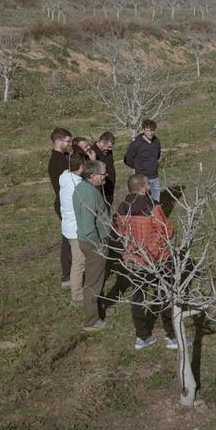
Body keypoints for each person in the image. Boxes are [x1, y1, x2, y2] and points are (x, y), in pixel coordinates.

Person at [114, 174, 178, 350]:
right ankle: (172, 336)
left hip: (134, 258)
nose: (150, 186)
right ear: (142, 188)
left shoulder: (122, 208)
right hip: (156, 257)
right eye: (148, 184)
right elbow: (167, 231)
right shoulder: (152, 207)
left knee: (137, 296)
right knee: (164, 294)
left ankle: (142, 336)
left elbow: (122, 231)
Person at [74, 160, 113, 331]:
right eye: (103, 174)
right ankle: (91, 321)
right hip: (93, 243)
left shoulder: (85, 188)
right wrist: (98, 245)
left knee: (96, 279)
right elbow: (89, 225)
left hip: (90, 241)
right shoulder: (89, 193)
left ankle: (98, 309)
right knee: (93, 282)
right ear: (92, 176)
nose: (106, 176)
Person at [59, 153, 87, 303]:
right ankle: (77, 296)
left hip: (67, 226)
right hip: (76, 228)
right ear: (81, 166)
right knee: (79, 262)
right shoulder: (78, 185)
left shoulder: (64, 177)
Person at [47, 128, 73, 287]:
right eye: (67, 142)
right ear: (58, 141)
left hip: (66, 203)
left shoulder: (64, 157)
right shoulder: (58, 161)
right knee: (68, 239)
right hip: (64, 204)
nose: (69, 144)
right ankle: (67, 275)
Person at [124, 119, 162, 203]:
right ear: (143, 130)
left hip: (155, 176)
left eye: (152, 130)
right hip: (142, 178)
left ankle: (155, 215)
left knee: (156, 200)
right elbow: (127, 159)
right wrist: (138, 167)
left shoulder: (156, 141)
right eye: (148, 130)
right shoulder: (136, 144)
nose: (150, 133)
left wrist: (154, 164)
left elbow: (158, 155)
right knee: (142, 200)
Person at [92, 132, 117, 207]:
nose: (110, 149)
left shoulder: (108, 151)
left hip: (110, 189)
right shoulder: (93, 152)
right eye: (108, 147)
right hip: (101, 190)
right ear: (102, 142)